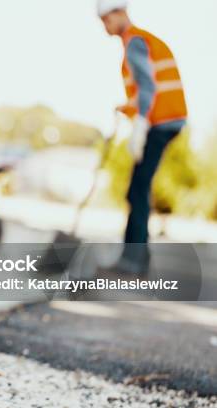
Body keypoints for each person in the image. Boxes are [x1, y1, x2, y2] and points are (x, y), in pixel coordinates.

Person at [97, 0, 187, 274]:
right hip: (165, 121)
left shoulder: (135, 42)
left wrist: (140, 124)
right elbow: (142, 93)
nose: (105, 26)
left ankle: (132, 261)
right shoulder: (141, 40)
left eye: (106, 20)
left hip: (160, 123)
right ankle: (138, 258)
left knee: (137, 189)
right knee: (138, 187)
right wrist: (126, 108)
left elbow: (149, 87)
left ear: (120, 12)